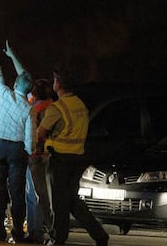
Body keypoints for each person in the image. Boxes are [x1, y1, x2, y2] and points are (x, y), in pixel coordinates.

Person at [37, 65, 109, 246]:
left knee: (60, 202)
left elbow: (40, 132)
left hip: (60, 159)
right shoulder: (80, 105)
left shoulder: (57, 108)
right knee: (71, 200)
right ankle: (99, 236)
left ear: (58, 84)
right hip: (78, 158)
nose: (53, 83)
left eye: (55, 80)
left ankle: (58, 238)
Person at [0, 39, 37, 243]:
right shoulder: (29, 108)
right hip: (17, 151)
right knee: (17, 192)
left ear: (15, 83)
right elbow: (30, 139)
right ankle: (17, 230)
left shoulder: (3, 93)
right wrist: (30, 152)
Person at [25, 78, 54, 243]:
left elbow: (42, 133)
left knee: (39, 195)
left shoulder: (43, 109)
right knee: (38, 195)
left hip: (37, 157)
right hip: (38, 156)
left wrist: (38, 150)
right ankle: (42, 230)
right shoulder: (47, 106)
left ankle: (47, 230)